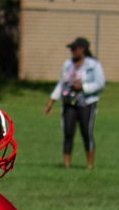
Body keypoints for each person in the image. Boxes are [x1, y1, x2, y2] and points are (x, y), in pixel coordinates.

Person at [43, 36, 105, 169]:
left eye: (74, 49)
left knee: (86, 132)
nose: (72, 51)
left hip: (86, 103)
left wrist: (83, 87)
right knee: (68, 132)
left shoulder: (93, 65)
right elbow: (61, 84)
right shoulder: (67, 64)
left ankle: (89, 164)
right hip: (68, 102)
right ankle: (66, 165)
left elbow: (100, 83)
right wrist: (51, 101)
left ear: (82, 49)